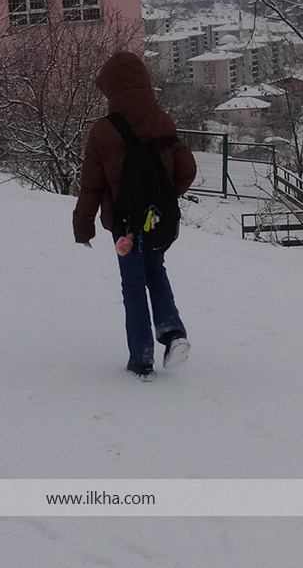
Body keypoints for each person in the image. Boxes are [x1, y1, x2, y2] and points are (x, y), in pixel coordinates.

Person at [74, 51, 197, 380]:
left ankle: (141, 357)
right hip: (157, 221)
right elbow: (187, 170)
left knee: (133, 284)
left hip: (125, 226)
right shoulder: (162, 121)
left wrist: (83, 226)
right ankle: (172, 333)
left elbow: (91, 186)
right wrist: (164, 198)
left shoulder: (103, 131)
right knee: (156, 271)